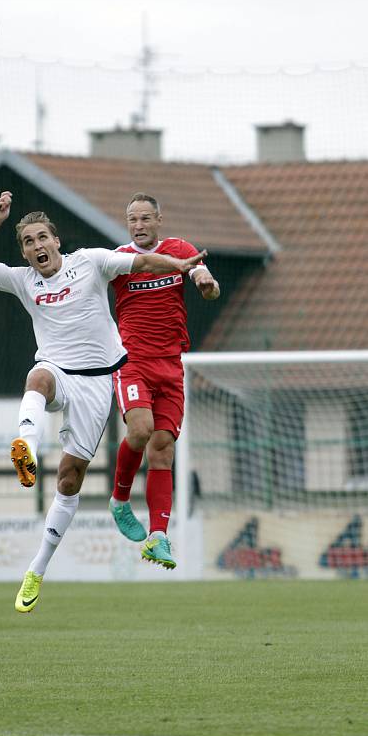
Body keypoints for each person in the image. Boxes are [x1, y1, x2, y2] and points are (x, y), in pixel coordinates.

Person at [0, 191, 207, 612]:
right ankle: (26, 447)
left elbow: (143, 261)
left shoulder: (90, 261)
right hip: (57, 372)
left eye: (42, 238)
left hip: (95, 386)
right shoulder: (24, 280)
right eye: (28, 242)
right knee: (37, 377)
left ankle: (36, 569)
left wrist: (183, 266)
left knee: (70, 481)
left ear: (56, 241)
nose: (37, 247)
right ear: (23, 251)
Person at [109, 192, 220, 569]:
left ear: (159, 220)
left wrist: (206, 281)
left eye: (144, 219)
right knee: (139, 430)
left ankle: (158, 537)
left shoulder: (179, 248)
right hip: (132, 361)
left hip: (171, 366)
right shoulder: (121, 258)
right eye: (132, 219)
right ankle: (120, 500)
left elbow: (197, 269)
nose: (138, 225)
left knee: (163, 450)